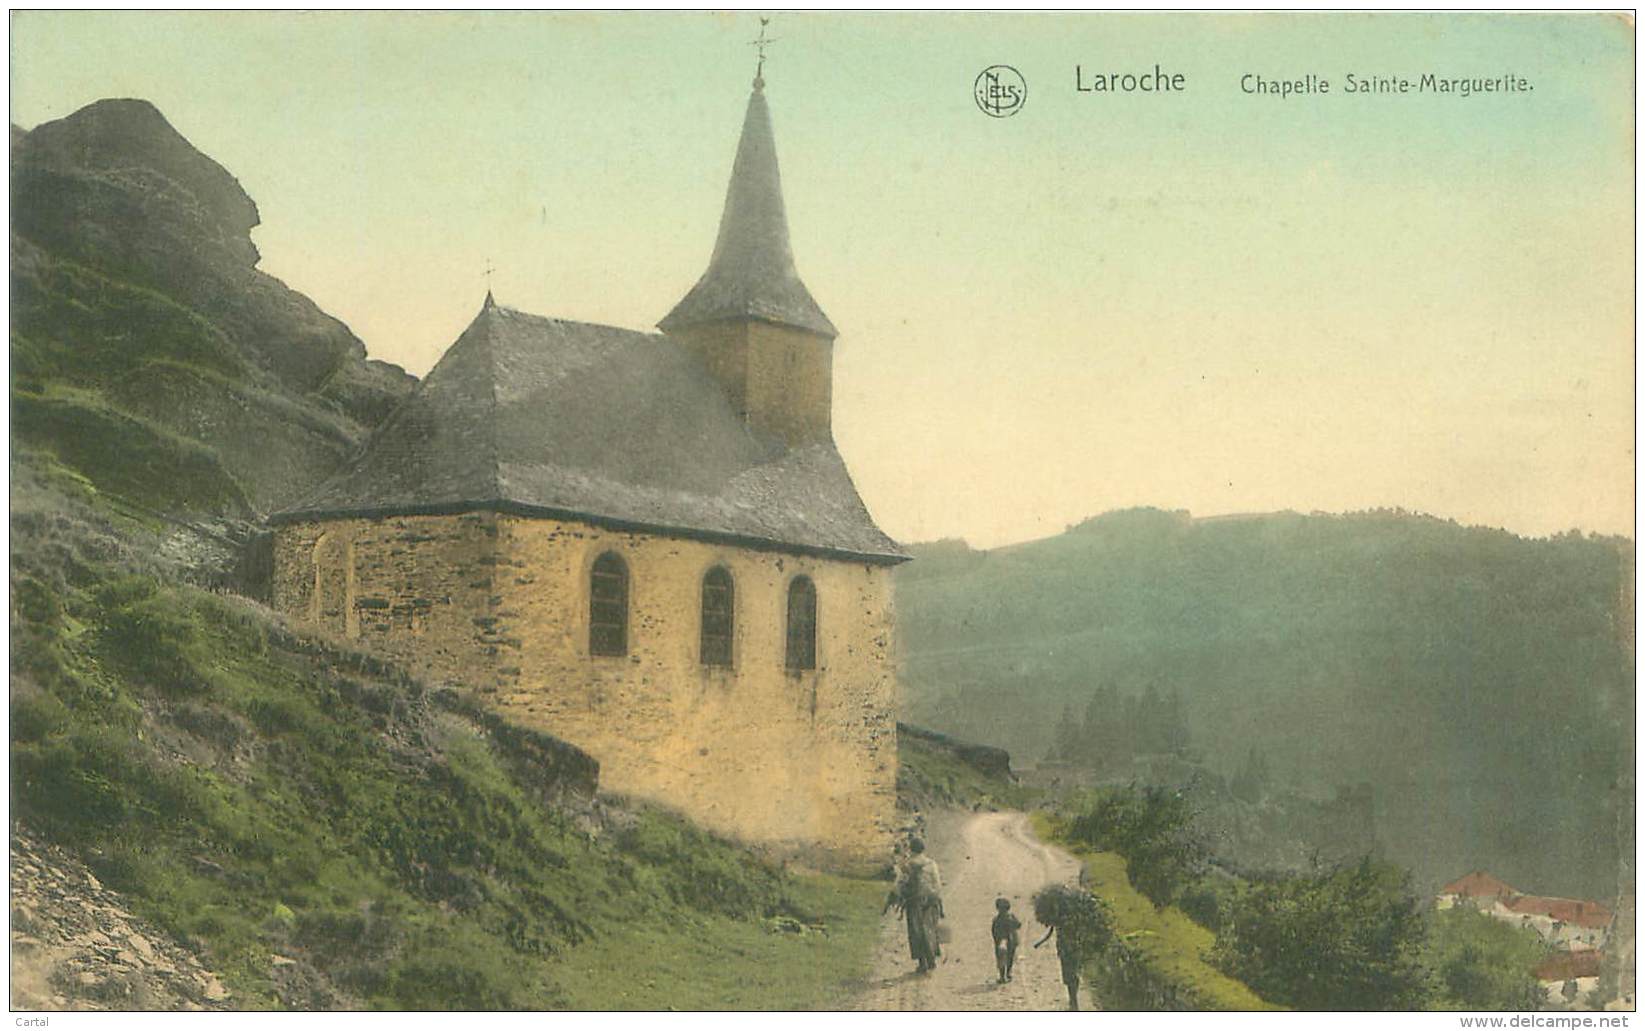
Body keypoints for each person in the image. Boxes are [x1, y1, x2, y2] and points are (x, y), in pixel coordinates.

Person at [884, 837, 944, 974]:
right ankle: (932, 960)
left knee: (916, 931)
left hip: (914, 901)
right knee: (929, 929)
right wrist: (937, 899)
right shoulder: (931, 863)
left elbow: (899, 884)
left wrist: (894, 898)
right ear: (923, 849)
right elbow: (937, 883)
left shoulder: (907, 865)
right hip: (930, 901)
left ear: (911, 849)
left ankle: (922, 963)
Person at [990, 897, 1021, 983]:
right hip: (1010, 941)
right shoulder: (1011, 917)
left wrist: (997, 940)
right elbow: (1019, 925)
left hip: (1003, 942)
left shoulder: (997, 919)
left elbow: (993, 931)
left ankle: (1003, 975)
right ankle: (1006, 974)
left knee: (1002, 959)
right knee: (1009, 958)